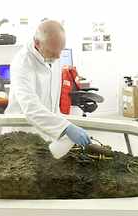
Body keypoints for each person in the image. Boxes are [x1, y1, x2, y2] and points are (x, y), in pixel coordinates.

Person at [5, 19, 90, 147]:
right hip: (23, 132)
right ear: (37, 43)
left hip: (47, 132)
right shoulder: (22, 63)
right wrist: (65, 127)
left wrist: (62, 123)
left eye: (61, 50)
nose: (58, 57)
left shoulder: (53, 56)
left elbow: (52, 99)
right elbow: (31, 107)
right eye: (53, 52)